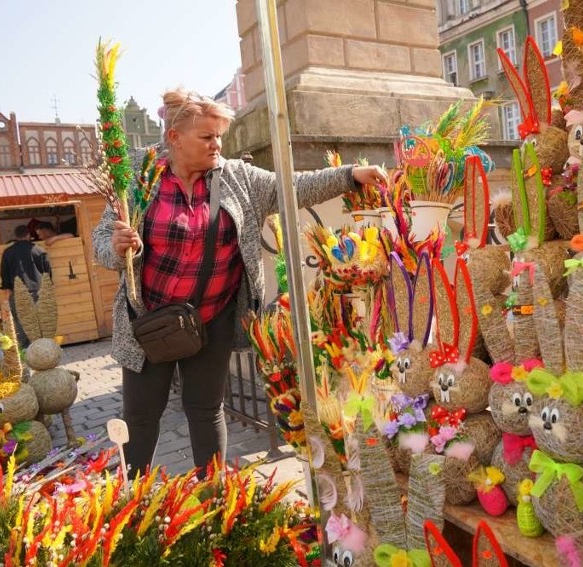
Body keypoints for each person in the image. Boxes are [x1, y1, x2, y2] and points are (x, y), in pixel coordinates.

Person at [92, 88, 388, 478]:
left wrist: (349, 175)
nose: (217, 144)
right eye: (207, 136)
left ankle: (215, 495)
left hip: (211, 318)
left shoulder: (237, 178)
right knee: (141, 417)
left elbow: (293, 186)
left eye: (220, 136)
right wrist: (116, 247)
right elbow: (101, 242)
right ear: (175, 138)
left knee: (205, 409)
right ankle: (131, 501)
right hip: (148, 322)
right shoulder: (137, 175)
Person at [0, 224, 52, 345]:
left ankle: (24, 348)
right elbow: (47, 272)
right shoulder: (38, 250)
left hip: (17, 292)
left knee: (19, 320)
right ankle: (42, 346)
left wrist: (7, 288)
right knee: (40, 319)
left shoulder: (7, 252)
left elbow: (4, 273)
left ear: (16, 236)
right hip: (37, 291)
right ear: (28, 235)